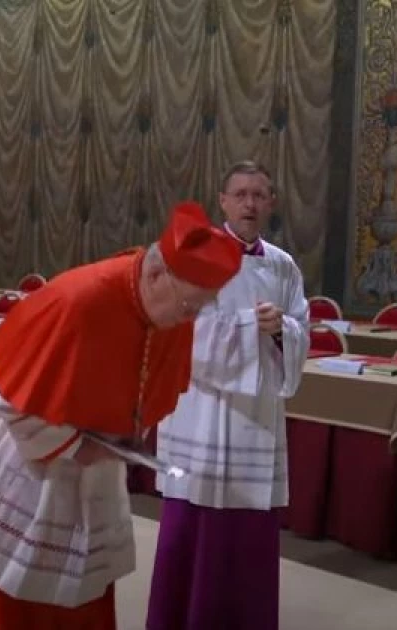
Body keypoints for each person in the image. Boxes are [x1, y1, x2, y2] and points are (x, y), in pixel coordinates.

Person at [0, 202, 244, 630]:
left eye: (202, 307)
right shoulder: (78, 301)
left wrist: (129, 429)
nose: (192, 319)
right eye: (189, 306)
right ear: (156, 273)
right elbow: (11, 395)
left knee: (81, 591)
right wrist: (75, 444)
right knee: (12, 594)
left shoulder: (170, 312)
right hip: (30, 459)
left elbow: (149, 384)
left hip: (92, 463)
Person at [147, 161, 308, 630]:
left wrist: (284, 331)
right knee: (192, 529)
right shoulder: (195, 255)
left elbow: (301, 327)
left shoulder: (282, 264)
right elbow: (177, 330)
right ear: (222, 201)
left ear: (272, 203)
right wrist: (246, 326)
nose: (250, 204)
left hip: (257, 421)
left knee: (246, 536)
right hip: (202, 412)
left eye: (259, 195)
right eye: (240, 194)